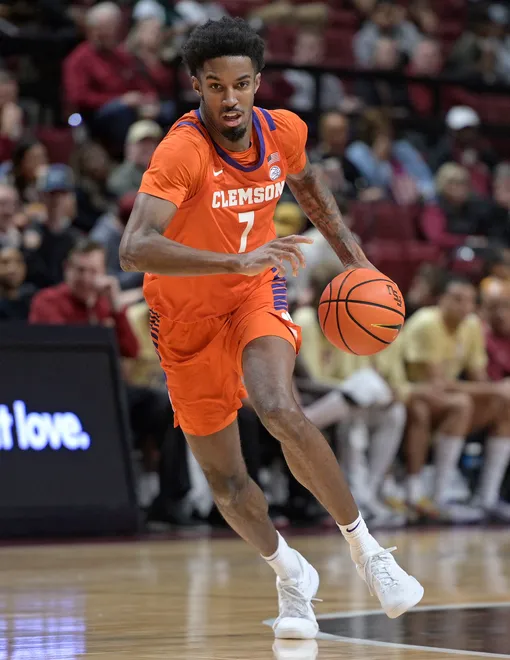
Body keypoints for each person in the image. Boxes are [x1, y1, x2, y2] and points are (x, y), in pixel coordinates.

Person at [119, 16, 423, 640]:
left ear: (257, 82)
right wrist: (233, 258)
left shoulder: (283, 131)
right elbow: (134, 247)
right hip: (183, 319)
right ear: (197, 87)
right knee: (228, 484)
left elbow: (310, 189)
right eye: (214, 86)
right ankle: (289, 572)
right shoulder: (182, 151)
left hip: (257, 291)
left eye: (240, 84)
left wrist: (355, 261)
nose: (228, 99)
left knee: (280, 407)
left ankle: (370, 553)